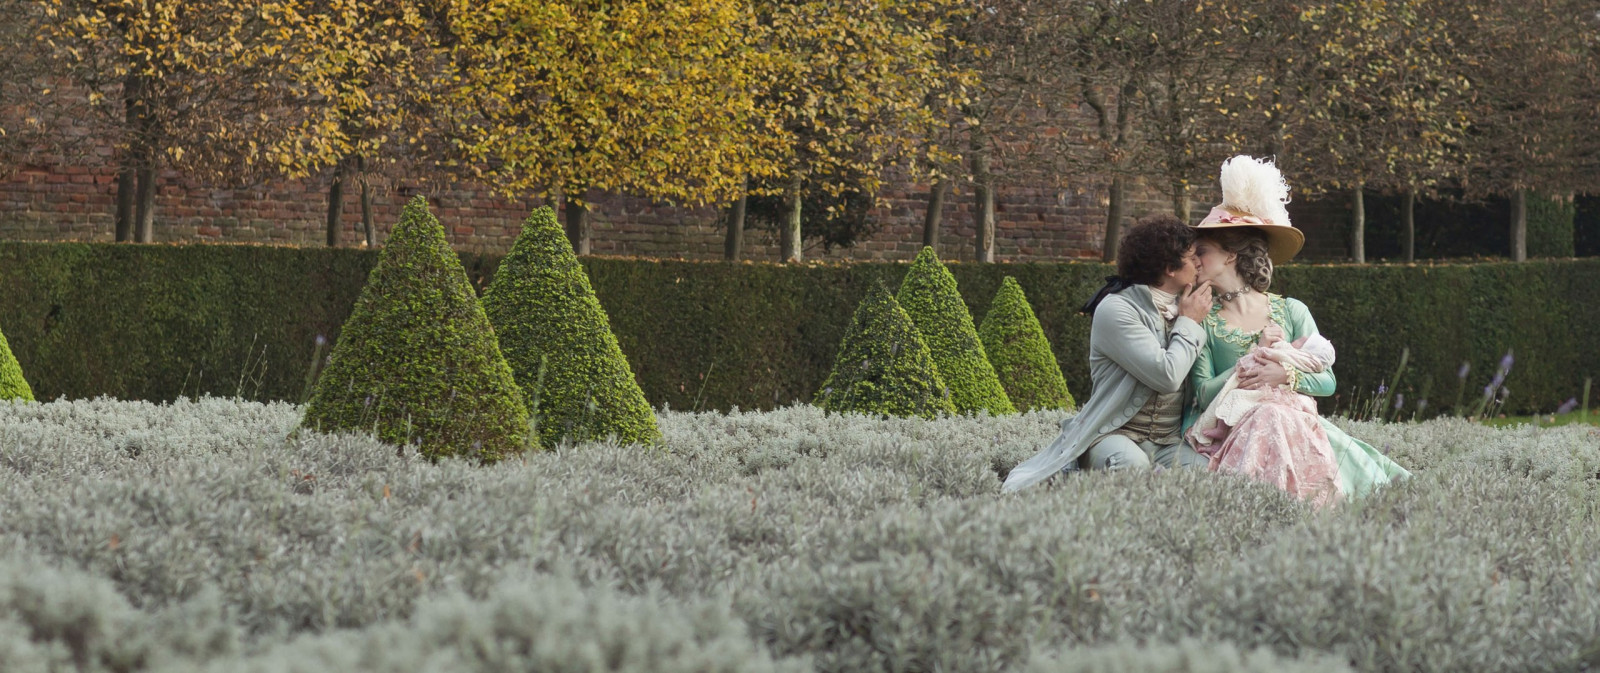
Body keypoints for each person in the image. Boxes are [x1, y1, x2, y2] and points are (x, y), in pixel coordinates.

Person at [1186, 156, 1410, 500]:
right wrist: (1254, 357)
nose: (1194, 260)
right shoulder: (1201, 315)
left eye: (1202, 250)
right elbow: (1202, 394)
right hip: (1228, 431)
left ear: (1231, 255)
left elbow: (1327, 381)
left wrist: (1285, 375)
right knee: (1268, 419)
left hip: (1291, 424)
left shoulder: (1291, 310)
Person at [1002, 214, 1214, 492]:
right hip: (1112, 435)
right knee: (1133, 468)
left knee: (1206, 476)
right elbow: (1167, 375)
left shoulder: (1188, 306)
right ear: (1169, 268)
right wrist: (1188, 323)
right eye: (1191, 256)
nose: (1199, 262)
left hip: (1168, 441)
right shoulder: (1117, 309)